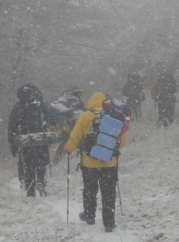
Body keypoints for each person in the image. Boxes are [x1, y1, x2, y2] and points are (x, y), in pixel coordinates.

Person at [64, 92, 128, 232]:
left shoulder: (85, 117)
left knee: (90, 190)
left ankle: (89, 215)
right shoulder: (114, 116)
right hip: (109, 163)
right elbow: (123, 141)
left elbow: (75, 137)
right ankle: (109, 223)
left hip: (89, 163)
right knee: (109, 193)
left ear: (91, 102)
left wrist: (68, 148)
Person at [8, 83, 54, 197]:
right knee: (41, 163)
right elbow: (54, 118)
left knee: (28, 165)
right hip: (41, 139)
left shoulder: (18, 106)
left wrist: (12, 143)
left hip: (26, 141)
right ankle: (41, 181)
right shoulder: (42, 104)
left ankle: (30, 191)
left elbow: (12, 126)